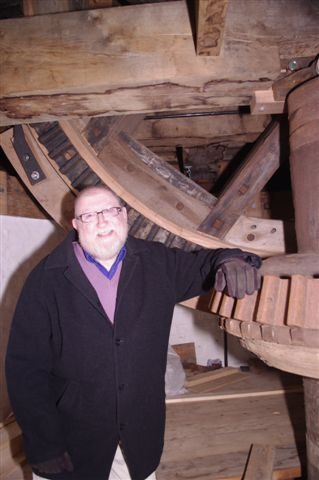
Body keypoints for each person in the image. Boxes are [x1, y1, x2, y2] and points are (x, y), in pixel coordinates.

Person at [5, 185, 262, 480]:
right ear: (75, 226)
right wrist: (44, 446)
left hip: (137, 446)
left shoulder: (157, 263)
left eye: (110, 211)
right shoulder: (46, 280)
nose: (102, 221)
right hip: (72, 445)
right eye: (89, 215)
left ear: (124, 217)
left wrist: (233, 260)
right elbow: (25, 369)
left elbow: (205, 263)